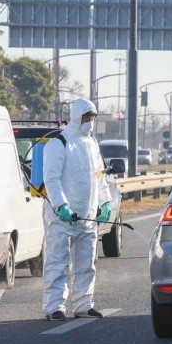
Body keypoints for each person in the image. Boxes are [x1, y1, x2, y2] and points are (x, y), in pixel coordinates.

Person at [42, 98, 112, 321]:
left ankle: (83, 304)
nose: (89, 123)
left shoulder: (92, 143)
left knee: (86, 263)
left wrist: (105, 202)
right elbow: (51, 179)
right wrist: (60, 205)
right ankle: (54, 306)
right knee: (57, 262)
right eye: (86, 118)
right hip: (62, 217)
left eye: (92, 118)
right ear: (76, 117)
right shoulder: (59, 143)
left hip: (88, 216)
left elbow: (99, 176)